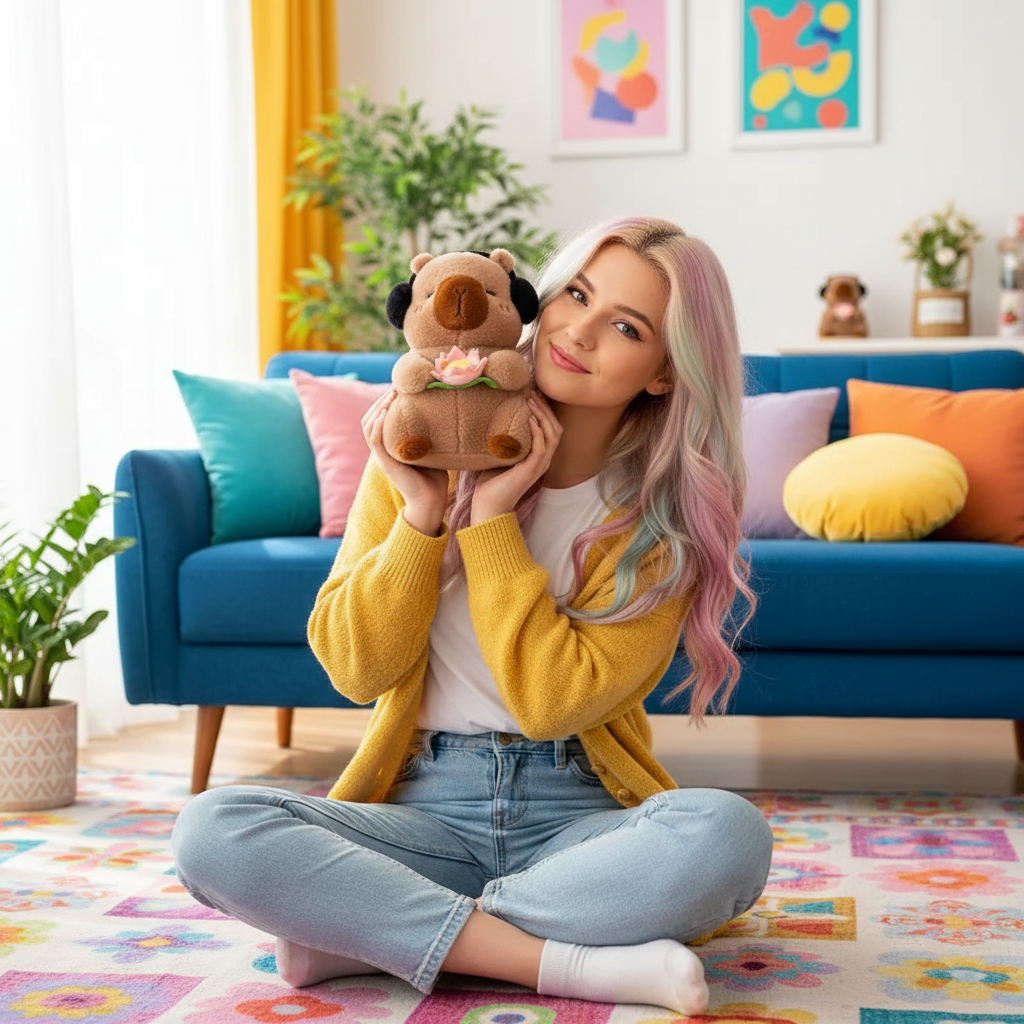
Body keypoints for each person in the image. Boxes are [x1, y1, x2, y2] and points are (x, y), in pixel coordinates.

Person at [171, 216, 775, 1016]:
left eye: (625, 326)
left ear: (664, 372)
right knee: (212, 829)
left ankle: (372, 931)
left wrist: (490, 520)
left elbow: (550, 702)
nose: (578, 332)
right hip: (420, 815)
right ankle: (567, 962)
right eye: (577, 295)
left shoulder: (660, 527)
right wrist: (424, 513)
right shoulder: (415, 448)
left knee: (728, 836)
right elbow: (356, 670)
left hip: (581, 823)